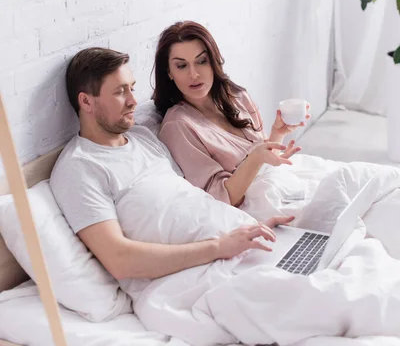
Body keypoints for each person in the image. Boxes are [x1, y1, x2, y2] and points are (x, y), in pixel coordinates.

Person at [50, 47, 400, 345]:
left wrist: (251, 225)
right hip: (191, 278)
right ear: (86, 101)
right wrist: (220, 247)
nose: (132, 101)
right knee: (343, 296)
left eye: (133, 88)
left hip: (242, 241)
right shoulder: (80, 168)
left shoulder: (143, 139)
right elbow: (121, 260)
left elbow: (190, 203)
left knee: (358, 255)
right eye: (119, 92)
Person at [154, 21, 308, 209]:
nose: (193, 74)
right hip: (253, 212)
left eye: (202, 61)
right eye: (181, 66)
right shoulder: (178, 126)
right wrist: (256, 157)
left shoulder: (235, 96)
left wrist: (278, 133)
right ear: (169, 72)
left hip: (281, 190)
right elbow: (221, 198)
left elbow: (264, 162)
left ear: (213, 61)